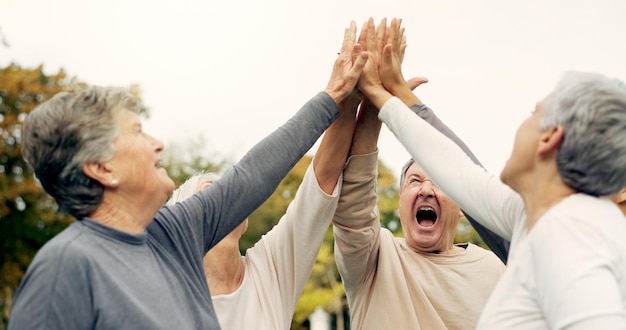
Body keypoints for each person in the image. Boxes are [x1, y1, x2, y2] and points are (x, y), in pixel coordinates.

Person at [7, 21, 368, 330]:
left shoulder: (174, 233)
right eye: (137, 132)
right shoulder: (64, 269)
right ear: (102, 168)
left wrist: (333, 96)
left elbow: (251, 175)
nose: (157, 144)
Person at [362, 17, 626, 329]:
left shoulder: (573, 238)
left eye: (533, 114)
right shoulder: (541, 217)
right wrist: (386, 94)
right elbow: (456, 169)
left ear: (549, 138)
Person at [332, 18, 505, 330]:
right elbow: (353, 203)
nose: (426, 189)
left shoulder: (496, 269)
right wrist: (374, 105)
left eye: (438, 181)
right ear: (400, 204)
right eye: (415, 181)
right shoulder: (374, 258)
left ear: (464, 207)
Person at [164, 71, 362, 329]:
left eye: (225, 199)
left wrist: (350, 98)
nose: (219, 207)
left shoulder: (269, 271)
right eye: (205, 202)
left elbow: (320, 183)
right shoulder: (165, 293)